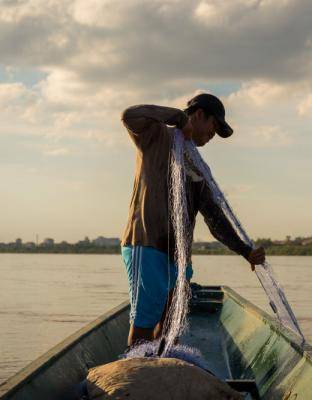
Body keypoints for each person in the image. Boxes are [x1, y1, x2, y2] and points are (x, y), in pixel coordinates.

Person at [120, 93, 266, 346]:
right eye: (214, 126)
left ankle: (165, 373)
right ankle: (136, 379)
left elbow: (215, 218)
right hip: (148, 244)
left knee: (171, 326)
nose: (213, 135)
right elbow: (129, 115)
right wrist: (178, 119)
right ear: (199, 115)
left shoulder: (197, 167)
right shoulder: (156, 135)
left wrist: (246, 251)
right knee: (144, 325)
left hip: (178, 256)